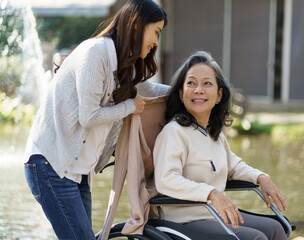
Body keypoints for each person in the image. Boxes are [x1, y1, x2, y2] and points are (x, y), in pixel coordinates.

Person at [23, 0, 168, 239]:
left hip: (78, 172)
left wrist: (188, 90)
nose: (156, 42)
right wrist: (129, 107)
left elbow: (150, 91)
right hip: (51, 165)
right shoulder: (96, 53)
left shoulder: (125, 65)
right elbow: (88, 117)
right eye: (156, 32)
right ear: (137, 26)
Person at [153, 51, 288, 240]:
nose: (198, 90)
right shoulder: (174, 132)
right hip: (184, 221)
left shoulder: (212, 132)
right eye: (191, 83)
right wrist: (211, 193)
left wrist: (260, 177)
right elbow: (166, 179)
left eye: (207, 83)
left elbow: (232, 164)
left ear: (219, 94)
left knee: (276, 228)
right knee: (255, 238)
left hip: (214, 215)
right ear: (181, 93)